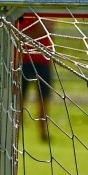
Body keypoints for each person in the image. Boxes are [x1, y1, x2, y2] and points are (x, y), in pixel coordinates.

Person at [16, 12, 55, 142]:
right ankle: (15, 132)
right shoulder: (20, 13)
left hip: (43, 61)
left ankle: (44, 134)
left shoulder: (47, 12)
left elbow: (45, 30)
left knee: (44, 99)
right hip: (24, 61)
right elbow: (18, 33)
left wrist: (29, 33)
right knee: (19, 99)